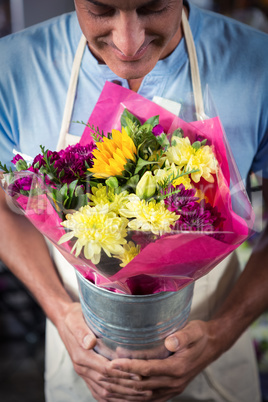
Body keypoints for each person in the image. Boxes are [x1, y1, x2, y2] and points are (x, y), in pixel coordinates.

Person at [0, 0, 267, 401]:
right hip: (84, 363)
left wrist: (222, 331)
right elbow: (7, 211)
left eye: (153, 7)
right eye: (101, 11)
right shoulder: (13, 67)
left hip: (214, 364)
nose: (128, 43)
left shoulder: (257, 64)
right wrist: (60, 310)